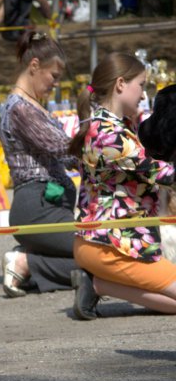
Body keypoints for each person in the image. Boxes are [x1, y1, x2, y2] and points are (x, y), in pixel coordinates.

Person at [68, 52, 176, 320]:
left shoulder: (113, 126)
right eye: (141, 85)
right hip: (112, 246)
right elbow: (160, 172)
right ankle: (97, 281)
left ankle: (98, 284)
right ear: (120, 84)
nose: (143, 94)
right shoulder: (109, 136)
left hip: (116, 243)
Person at [0, 31, 80, 298]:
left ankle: (32, 262)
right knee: (102, 257)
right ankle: (27, 263)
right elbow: (64, 149)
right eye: (53, 76)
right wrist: (107, 152)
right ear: (34, 66)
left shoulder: (32, 105)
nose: (56, 83)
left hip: (48, 205)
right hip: (38, 207)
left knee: (102, 255)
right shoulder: (20, 108)